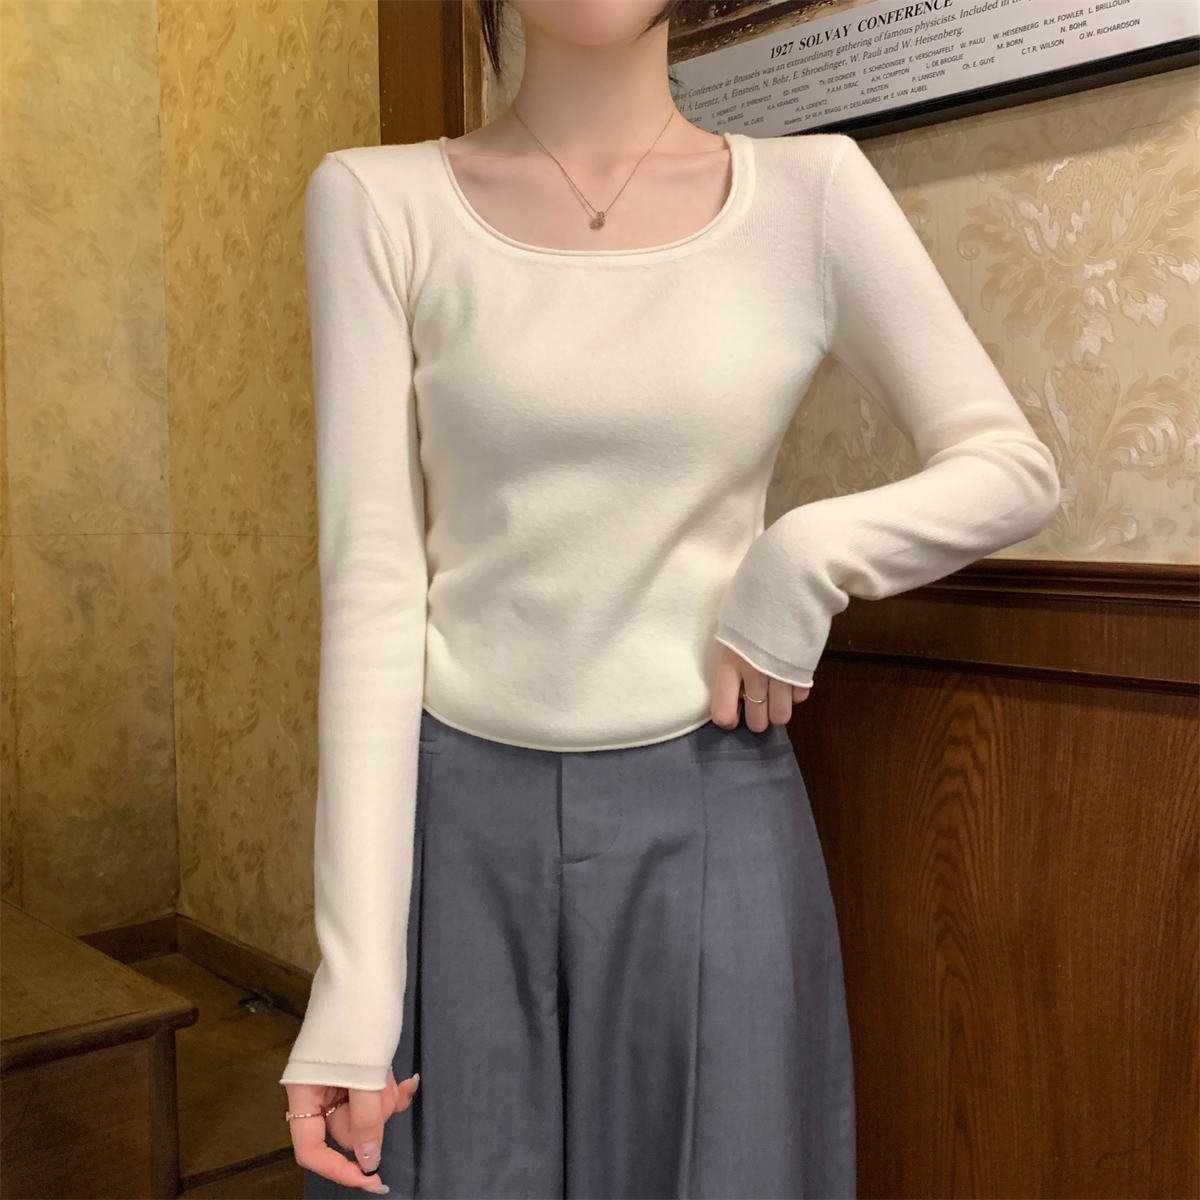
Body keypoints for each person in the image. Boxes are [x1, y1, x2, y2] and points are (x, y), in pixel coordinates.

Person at [279, 1, 1062, 1197]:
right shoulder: (375, 201)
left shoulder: (811, 195)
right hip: (452, 819)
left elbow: (1010, 467)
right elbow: (374, 582)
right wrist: (350, 990)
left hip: (714, 795)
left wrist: (805, 559)